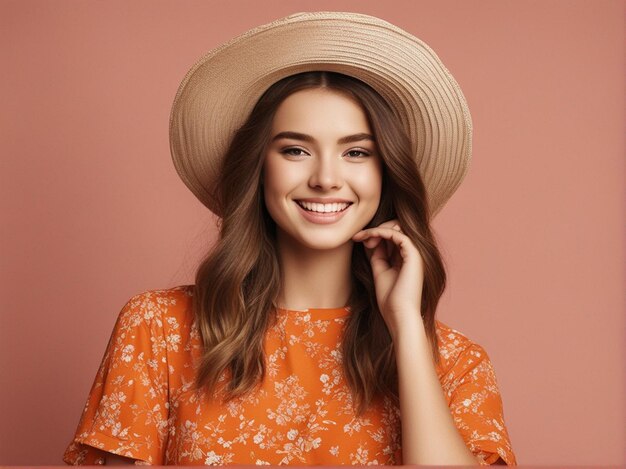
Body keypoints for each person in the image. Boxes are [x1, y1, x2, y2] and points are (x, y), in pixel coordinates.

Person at [62, 11, 517, 466]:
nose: (325, 178)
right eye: (296, 150)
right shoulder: (157, 331)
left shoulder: (456, 363)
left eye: (356, 152)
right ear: (259, 167)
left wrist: (406, 330)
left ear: (387, 174)